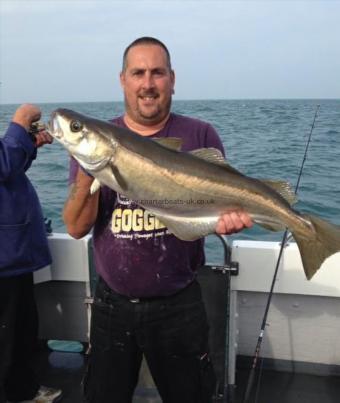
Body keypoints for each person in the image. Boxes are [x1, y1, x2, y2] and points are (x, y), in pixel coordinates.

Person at [63, 37, 253, 403]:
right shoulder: (96, 140)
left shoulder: (200, 134)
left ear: (172, 79)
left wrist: (225, 219)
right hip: (112, 306)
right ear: (123, 80)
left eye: (157, 73)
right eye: (138, 73)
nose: (147, 83)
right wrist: (89, 166)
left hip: (180, 304)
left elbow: (218, 208)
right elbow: (75, 228)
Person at [0, 104, 62, 403]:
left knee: (22, 328)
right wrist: (19, 123)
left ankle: (22, 387)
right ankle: (17, 392)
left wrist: (27, 144)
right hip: (4, 260)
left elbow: (7, 171)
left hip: (12, 254)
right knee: (9, 334)